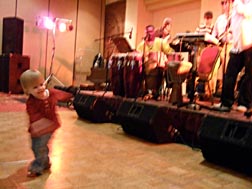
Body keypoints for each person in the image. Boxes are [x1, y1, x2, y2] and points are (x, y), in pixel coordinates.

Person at [20, 69, 74, 177]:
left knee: (40, 146)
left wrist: (72, 95)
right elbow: (33, 114)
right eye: (35, 87)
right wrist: (37, 124)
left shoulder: (51, 93)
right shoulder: (31, 102)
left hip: (50, 126)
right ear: (27, 90)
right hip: (37, 129)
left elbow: (62, 95)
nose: (40, 88)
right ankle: (45, 161)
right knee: (36, 147)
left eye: (41, 84)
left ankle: (38, 166)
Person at [212, 0, 252, 116]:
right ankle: (226, 103)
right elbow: (234, 24)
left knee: (249, 74)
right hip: (238, 45)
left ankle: (244, 103)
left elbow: (246, 13)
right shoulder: (236, 4)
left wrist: (238, 5)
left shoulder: (243, 4)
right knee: (230, 73)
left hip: (249, 43)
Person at [136, 24, 174, 100]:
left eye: (150, 32)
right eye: (147, 32)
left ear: (154, 32)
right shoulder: (141, 45)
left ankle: (154, 92)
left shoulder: (160, 42)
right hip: (145, 69)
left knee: (155, 68)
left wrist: (165, 58)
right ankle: (144, 91)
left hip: (158, 68)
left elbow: (170, 52)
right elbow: (138, 56)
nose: (148, 33)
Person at [211, 0, 233, 96]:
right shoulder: (219, 19)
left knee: (228, 68)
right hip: (219, 46)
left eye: (226, 2)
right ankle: (210, 92)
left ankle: (227, 93)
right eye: (223, 3)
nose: (224, 5)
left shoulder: (235, 16)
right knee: (212, 66)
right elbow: (214, 34)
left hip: (231, 46)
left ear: (232, 3)